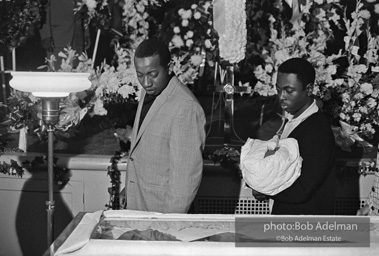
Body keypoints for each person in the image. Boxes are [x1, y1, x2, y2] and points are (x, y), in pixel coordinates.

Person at [123, 38, 206, 213]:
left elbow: (184, 181)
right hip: (140, 206)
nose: (146, 83)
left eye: (153, 74)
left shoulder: (186, 107)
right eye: (140, 75)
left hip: (162, 216)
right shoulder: (149, 91)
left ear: (169, 67)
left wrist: (168, 227)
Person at [254, 57, 336, 215]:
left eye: (289, 90)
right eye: (278, 90)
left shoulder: (317, 130)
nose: (281, 97)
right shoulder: (295, 119)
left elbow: (302, 189)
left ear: (309, 89)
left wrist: (265, 190)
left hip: (305, 227)